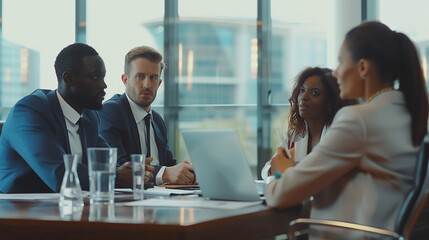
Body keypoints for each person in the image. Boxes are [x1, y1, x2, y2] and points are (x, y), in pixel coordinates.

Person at [264, 21, 428, 239]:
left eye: (341, 62)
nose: (336, 73)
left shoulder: (358, 120)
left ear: (362, 68)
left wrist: (280, 172)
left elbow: (281, 195)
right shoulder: (408, 114)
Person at [0, 43, 133, 193]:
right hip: (18, 211)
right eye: (96, 77)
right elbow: (60, 174)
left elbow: (110, 164)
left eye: (103, 77)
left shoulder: (89, 117)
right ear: (69, 78)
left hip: (66, 208)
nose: (104, 85)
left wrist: (135, 172)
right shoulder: (29, 111)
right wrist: (118, 176)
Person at [98, 45, 195, 186]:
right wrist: (165, 173)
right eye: (140, 76)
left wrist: (187, 171)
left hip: (159, 201)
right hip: (127, 204)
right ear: (125, 80)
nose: (147, 85)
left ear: (159, 83)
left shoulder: (157, 121)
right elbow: (120, 168)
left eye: (153, 78)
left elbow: (169, 164)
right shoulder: (109, 112)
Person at [261, 67, 354, 180]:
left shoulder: (339, 137)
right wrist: (274, 169)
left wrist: (284, 173)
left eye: (315, 93)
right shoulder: (294, 134)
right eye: (302, 90)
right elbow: (267, 169)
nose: (304, 97)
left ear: (329, 103)